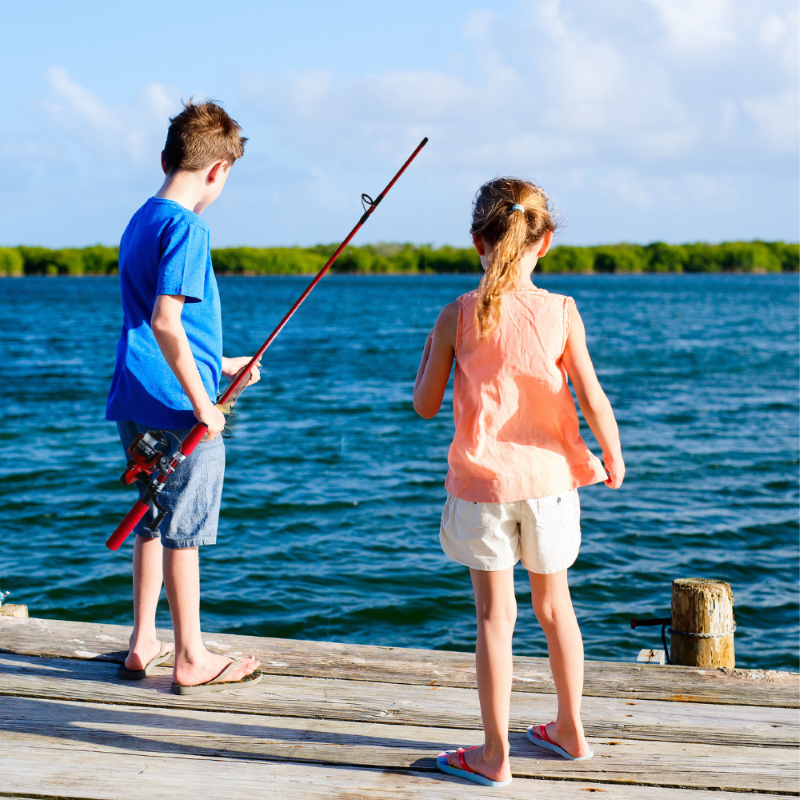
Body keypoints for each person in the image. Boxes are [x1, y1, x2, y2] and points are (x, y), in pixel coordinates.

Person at [413, 177, 625, 788]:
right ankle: (571, 730)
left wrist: (435, 348)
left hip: (483, 486)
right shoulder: (561, 311)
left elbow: (425, 405)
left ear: (477, 241)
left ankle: (495, 754)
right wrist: (612, 453)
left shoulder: (456, 313)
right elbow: (591, 393)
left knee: (493, 618)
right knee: (556, 607)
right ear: (546, 241)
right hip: (551, 481)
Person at [106, 100, 263, 695]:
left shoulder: (141, 219)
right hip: (177, 405)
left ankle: (143, 642)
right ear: (218, 171)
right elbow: (168, 321)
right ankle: (192, 657)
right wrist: (205, 403)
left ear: (166, 156)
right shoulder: (189, 229)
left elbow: (154, 330)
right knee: (185, 529)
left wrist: (222, 365)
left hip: (137, 393)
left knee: (150, 513)